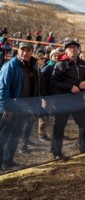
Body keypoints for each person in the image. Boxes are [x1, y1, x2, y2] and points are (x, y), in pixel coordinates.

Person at [50, 39, 85, 160]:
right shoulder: (60, 64)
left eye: (75, 47)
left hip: (78, 100)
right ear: (65, 50)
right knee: (60, 126)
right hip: (63, 101)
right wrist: (70, 87)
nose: (72, 49)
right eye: (70, 47)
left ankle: (83, 146)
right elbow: (54, 82)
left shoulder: (82, 63)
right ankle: (56, 152)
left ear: (78, 49)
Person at [0, 42, 40, 170]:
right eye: (23, 50)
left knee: (15, 136)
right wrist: (5, 108)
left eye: (28, 50)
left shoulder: (32, 66)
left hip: (24, 108)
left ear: (32, 52)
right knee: (3, 137)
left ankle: (8, 161)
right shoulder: (10, 66)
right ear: (18, 50)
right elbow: (3, 89)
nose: (25, 53)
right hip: (10, 108)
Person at [38, 49, 61, 142]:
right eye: (54, 55)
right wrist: (44, 96)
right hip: (48, 96)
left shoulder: (59, 67)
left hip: (56, 95)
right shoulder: (47, 68)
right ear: (51, 57)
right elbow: (42, 83)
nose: (56, 57)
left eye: (58, 56)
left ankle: (52, 133)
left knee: (52, 115)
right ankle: (41, 134)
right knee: (44, 116)